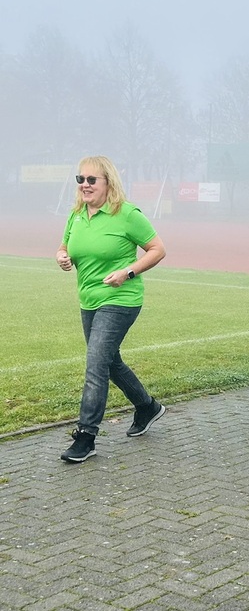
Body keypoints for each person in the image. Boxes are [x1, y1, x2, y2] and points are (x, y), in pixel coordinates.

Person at [56, 156, 167, 463]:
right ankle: (147, 407)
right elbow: (65, 247)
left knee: (95, 363)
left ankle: (87, 435)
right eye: (81, 180)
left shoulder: (127, 214)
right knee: (109, 360)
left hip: (121, 299)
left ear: (108, 182)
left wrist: (127, 272)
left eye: (92, 180)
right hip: (88, 299)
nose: (85, 185)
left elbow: (158, 249)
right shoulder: (77, 214)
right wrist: (62, 257)